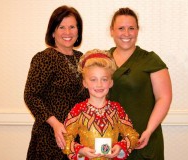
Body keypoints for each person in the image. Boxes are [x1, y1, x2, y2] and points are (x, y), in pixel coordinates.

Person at [24, 5, 88, 160]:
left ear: (78, 31)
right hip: (52, 137)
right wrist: (56, 124)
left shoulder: (83, 58)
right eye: (62, 27)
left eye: (72, 27)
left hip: (78, 136)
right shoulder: (44, 58)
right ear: (53, 32)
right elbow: (31, 96)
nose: (67, 32)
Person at [108, 7, 172, 160]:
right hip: (111, 139)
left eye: (131, 28)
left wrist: (149, 130)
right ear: (112, 31)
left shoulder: (150, 60)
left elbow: (164, 97)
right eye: (121, 28)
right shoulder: (102, 60)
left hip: (143, 138)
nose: (126, 33)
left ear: (137, 30)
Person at [62, 49, 139, 160]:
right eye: (93, 79)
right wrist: (81, 150)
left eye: (104, 79)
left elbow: (132, 135)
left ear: (111, 82)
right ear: (85, 83)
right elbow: (65, 138)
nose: (99, 84)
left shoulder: (116, 109)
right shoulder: (78, 109)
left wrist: (120, 147)